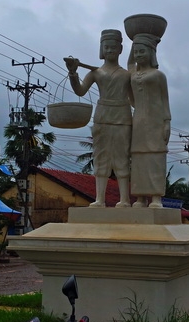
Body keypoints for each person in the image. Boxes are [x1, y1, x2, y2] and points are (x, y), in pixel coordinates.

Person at [64, 29, 133, 208]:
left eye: (114, 47)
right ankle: (99, 199)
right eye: (107, 47)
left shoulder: (127, 75)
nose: (110, 50)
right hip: (102, 116)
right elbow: (80, 91)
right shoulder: (95, 73)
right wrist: (73, 73)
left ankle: (124, 199)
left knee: (122, 157)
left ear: (120, 49)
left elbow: (135, 101)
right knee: (101, 156)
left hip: (122, 118)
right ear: (102, 49)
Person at [127, 33, 171, 208]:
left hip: (156, 121)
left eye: (142, 51)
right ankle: (140, 197)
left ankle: (156, 197)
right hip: (137, 121)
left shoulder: (158, 75)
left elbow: (165, 100)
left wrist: (167, 121)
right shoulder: (132, 76)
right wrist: (133, 43)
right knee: (138, 157)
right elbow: (129, 65)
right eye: (136, 52)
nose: (138, 55)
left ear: (151, 53)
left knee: (155, 157)